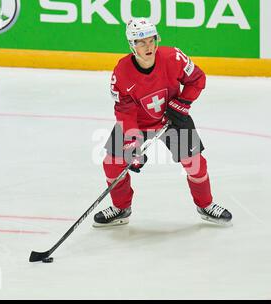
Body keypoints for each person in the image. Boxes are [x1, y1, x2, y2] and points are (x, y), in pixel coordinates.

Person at [93, 17, 232, 227]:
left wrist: (183, 102)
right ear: (132, 45)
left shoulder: (173, 57)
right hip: (138, 122)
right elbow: (124, 109)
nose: (148, 46)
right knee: (112, 164)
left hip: (173, 118)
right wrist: (132, 142)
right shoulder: (121, 72)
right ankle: (121, 208)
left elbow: (197, 78)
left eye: (151, 40)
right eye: (141, 42)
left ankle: (205, 205)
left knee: (195, 164)